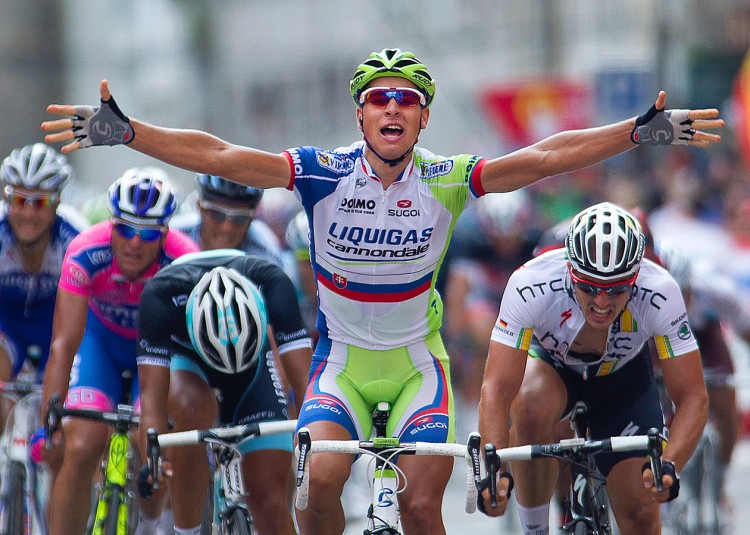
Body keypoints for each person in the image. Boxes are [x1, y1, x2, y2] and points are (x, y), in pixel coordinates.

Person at [40, 48, 723, 535]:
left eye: (407, 100)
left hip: (416, 365)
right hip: (340, 369)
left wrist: (633, 134)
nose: (391, 107)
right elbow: (221, 155)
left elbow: (541, 158)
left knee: (424, 509)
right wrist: (131, 132)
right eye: (378, 98)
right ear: (361, 114)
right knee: (317, 499)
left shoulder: (449, 176)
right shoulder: (320, 173)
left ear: (422, 119)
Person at [478, 202, 709, 535]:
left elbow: (692, 396)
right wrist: (492, 470)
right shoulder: (530, 282)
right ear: (569, 269)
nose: (602, 302)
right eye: (588, 287)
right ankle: (535, 530)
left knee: (642, 515)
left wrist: (669, 465)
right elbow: (497, 389)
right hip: (557, 370)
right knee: (528, 404)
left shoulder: (660, 289)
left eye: (616, 289)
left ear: (636, 276)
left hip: (624, 380)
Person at [40, 167, 199, 535]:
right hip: (102, 348)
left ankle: (150, 522)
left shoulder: (185, 261)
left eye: (147, 234)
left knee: (155, 450)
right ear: (111, 224)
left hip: (158, 354)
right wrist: (51, 413)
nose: (134, 243)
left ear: (165, 234)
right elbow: (63, 344)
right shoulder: (85, 251)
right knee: (80, 448)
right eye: (124, 229)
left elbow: (194, 348)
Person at [135, 249, 312, 535]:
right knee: (192, 409)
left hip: (254, 365)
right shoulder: (160, 295)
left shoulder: (273, 283)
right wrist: (153, 464)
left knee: (270, 498)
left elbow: (307, 390)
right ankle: (186, 531)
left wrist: (314, 445)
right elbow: (152, 402)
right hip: (189, 360)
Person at [443, 189, 541, 409]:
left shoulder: (534, 242)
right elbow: (457, 292)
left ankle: (517, 405)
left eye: (511, 238)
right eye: (498, 238)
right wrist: (456, 338)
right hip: (485, 304)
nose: (505, 245)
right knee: (484, 334)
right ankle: (474, 404)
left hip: (520, 306)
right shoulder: (469, 242)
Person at [0, 143, 88, 383]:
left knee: (56, 399)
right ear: (6, 199)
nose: (28, 214)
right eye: (18, 200)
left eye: (39, 202)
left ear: (57, 202)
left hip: (56, 325)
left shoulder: (76, 239)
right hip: (6, 324)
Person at [170, 173, 285, 264]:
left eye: (240, 218)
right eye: (216, 214)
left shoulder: (266, 253)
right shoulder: (174, 233)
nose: (227, 228)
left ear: (254, 215)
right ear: (199, 207)